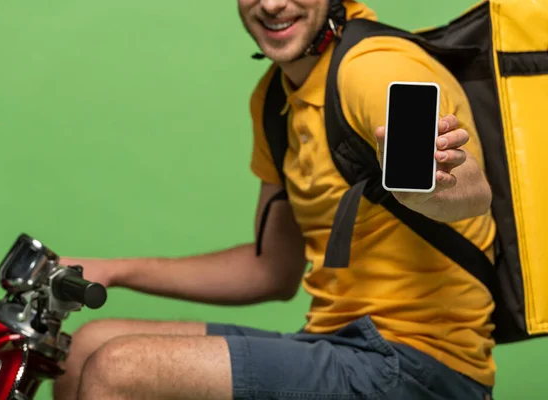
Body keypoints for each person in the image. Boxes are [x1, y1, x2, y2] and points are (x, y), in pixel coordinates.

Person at [52, 1, 497, 399]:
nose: (271, 5)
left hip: (420, 366)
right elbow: (271, 271)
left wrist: (432, 188)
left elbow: (473, 194)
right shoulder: (274, 99)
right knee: (85, 346)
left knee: (119, 369)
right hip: (334, 342)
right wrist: (115, 271)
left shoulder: (375, 69)